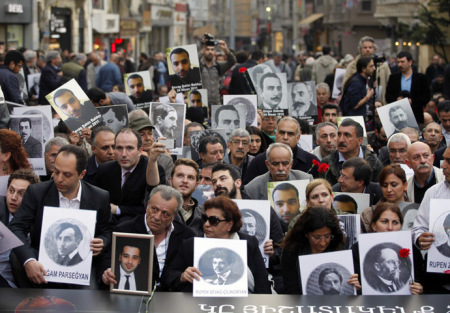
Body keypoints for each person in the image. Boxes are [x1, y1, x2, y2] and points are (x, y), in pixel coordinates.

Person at [8, 145, 112, 287]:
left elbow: (107, 231)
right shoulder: (37, 193)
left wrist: (102, 241)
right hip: (43, 268)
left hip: (81, 269)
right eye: (56, 172)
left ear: (82, 174)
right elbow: (16, 228)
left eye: (66, 174)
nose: (58, 179)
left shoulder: (100, 196)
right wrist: (29, 260)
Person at [161, 196, 271, 293]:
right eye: (205, 219)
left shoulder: (249, 243)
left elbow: (262, 283)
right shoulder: (190, 245)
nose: (206, 224)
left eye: (213, 220)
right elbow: (168, 276)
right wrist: (182, 276)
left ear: (229, 225)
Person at [101, 185, 195, 290]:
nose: (157, 217)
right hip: (135, 292)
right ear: (148, 205)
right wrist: (107, 272)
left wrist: (182, 276)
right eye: (154, 209)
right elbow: (108, 259)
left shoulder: (186, 236)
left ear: (174, 216)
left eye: (165, 214)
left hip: (173, 295)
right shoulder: (124, 230)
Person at [93, 128, 166, 225]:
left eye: (129, 148)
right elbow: (95, 202)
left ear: (140, 151)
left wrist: (119, 209)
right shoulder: (104, 170)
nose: (123, 154)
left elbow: (152, 208)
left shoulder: (153, 169)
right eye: (119, 148)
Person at [281, 207, 360, 294]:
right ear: (306, 234)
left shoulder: (338, 249)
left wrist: (353, 288)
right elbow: (291, 290)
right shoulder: (291, 251)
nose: (322, 243)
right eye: (317, 237)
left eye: (327, 236)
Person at [412, 146, 450, 293]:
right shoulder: (434, 192)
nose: (443, 166)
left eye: (449, 161)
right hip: (437, 280)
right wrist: (420, 238)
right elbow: (418, 228)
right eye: (444, 160)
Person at [244, 117, 320, 185]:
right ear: (276, 135)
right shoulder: (258, 162)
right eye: (282, 133)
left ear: (298, 137)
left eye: (290, 134)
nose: (285, 137)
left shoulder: (311, 161)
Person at [0, 168, 40, 288]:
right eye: (11, 191)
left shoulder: (39, 219)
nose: (13, 197)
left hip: (25, 285)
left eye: (21, 194)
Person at [321, 118, 383, 186]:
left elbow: (378, 191)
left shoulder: (374, 163)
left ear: (359, 140)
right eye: (339, 134)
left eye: (347, 135)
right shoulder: (327, 163)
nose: (341, 140)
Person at [244, 143, 313, 200]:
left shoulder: (306, 180)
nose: (280, 168)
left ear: (291, 164)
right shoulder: (252, 188)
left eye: (285, 163)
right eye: (275, 164)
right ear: (267, 164)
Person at [385, 51, 430, 125]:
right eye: (398, 62)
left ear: (410, 62)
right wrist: (397, 99)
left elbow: (426, 96)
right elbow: (388, 96)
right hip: (397, 118)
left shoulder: (421, 78)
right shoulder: (393, 78)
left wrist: (412, 101)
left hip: (416, 115)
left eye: (402, 62)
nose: (400, 64)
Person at [360, 164, 409, 233]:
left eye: (394, 185)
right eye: (384, 185)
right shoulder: (369, 214)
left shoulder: (416, 211)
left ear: (405, 185)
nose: (389, 189)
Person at [343, 36, 391, 104]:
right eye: (365, 47)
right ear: (360, 49)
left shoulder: (383, 66)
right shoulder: (352, 66)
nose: (368, 50)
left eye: (370, 47)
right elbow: (345, 85)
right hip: (359, 104)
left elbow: (390, 86)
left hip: (379, 105)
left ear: (374, 49)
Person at [129, 116, 174, 182]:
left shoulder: (165, 160)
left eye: (150, 133)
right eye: (142, 134)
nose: (147, 138)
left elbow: (166, 189)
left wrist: (150, 162)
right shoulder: (127, 159)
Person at [169, 159, 204, 237]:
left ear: (196, 185)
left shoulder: (203, 214)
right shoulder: (161, 208)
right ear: (170, 181)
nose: (185, 181)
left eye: (190, 177)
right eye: (180, 175)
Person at [199, 35, 236, 105]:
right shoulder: (199, 66)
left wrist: (225, 49)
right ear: (204, 51)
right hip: (202, 103)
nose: (210, 52)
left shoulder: (218, 66)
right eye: (207, 49)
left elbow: (232, 61)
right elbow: (191, 63)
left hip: (216, 103)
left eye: (212, 50)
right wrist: (202, 49)